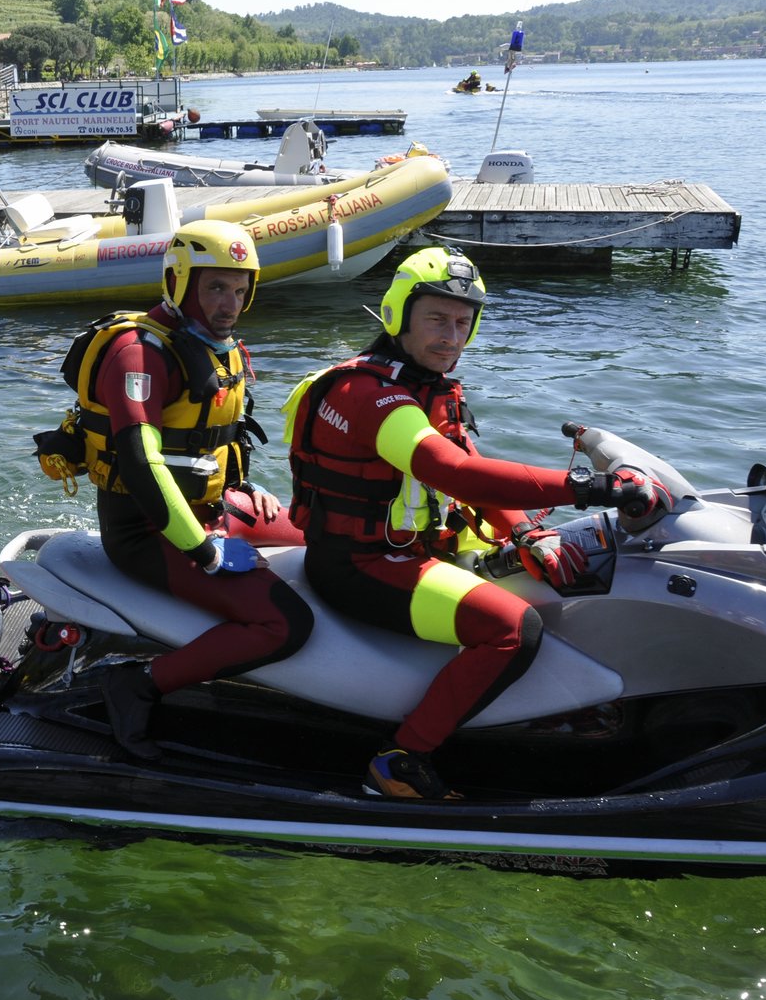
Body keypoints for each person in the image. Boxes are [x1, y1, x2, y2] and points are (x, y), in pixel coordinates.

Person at [284, 247, 668, 799]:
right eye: (436, 319)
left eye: (463, 322)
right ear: (398, 316)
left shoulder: (433, 390)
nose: (451, 336)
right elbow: (453, 472)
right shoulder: (367, 393)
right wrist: (591, 488)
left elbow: (475, 478)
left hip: (411, 552)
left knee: (559, 578)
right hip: (358, 566)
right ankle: (399, 760)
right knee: (512, 629)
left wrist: (527, 531)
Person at [55, 219, 314, 758]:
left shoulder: (224, 348)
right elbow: (142, 460)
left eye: (241, 290)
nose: (230, 304)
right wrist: (204, 550)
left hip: (215, 508)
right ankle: (139, 685)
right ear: (178, 282)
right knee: (285, 623)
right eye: (216, 287)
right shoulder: (138, 353)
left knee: (321, 531)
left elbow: (215, 438)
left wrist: (246, 486)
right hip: (147, 532)